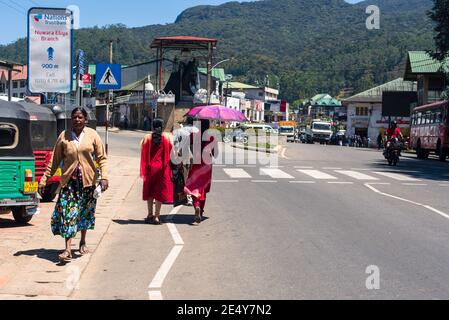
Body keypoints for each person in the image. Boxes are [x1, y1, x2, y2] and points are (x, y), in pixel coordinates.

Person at [39, 107, 109, 263]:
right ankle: (68, 249)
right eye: (74, 117)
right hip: (69, 183)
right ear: (71, 119)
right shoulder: (64, 136)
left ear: (85, 120)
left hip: (88, 183)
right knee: (68, 213)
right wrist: (44, 179)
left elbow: (102, 158)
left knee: (85, 212)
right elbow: (54, 161)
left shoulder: (93, 135)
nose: (77, 120)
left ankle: (83, 241)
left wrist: (104, 177)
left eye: (80, 117)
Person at [140, 118, 174, 225]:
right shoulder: (167, 138)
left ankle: (149, 214)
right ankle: (157, 216)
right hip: (162, 169)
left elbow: (142, 150)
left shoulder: (147, 137)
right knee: (159, 193)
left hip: (150, 169)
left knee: (150, 192)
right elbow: (172, 152)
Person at [184, 119, 218, 224]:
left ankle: (197, 206)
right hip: (207, 165)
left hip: (196, 162)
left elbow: (186, 145)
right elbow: (215, 154)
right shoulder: (212, 137)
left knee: (195, 187)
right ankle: (201, 211)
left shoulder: (194, 135)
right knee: (203, 188)